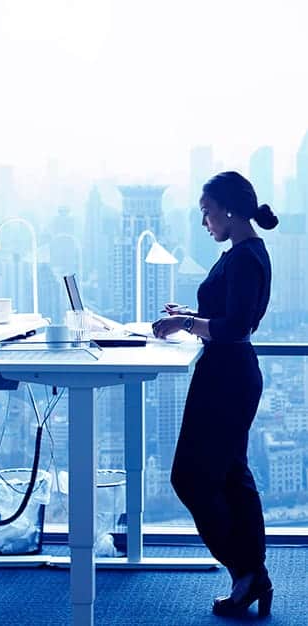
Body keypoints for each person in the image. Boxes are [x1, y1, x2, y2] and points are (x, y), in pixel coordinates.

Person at [152, 171, 279, 618]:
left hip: (226, 378)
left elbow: (234, 327)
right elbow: (227, 315)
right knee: (232, 478)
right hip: (229, 373)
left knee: (188, 479)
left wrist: (187, 324)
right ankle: (251, 574)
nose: (204, 221)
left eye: (206, 212)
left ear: (227, 209)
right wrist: (188, 315)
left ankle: (247, 571)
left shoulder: (244, 258)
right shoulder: (245, 252)